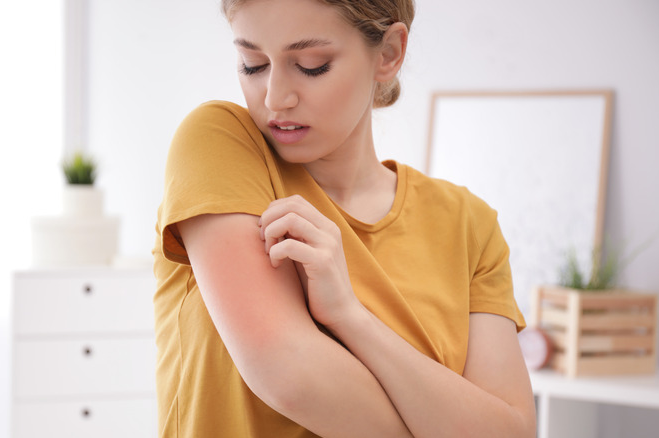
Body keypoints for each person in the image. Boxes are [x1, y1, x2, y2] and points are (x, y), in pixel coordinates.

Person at [152, 0, 536, 436]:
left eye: (312, 65)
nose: (276, 97)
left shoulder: (469, 224)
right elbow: (289, 375)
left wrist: (349, 316)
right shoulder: (219, 144)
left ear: (389, 53)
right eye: (252, 64)